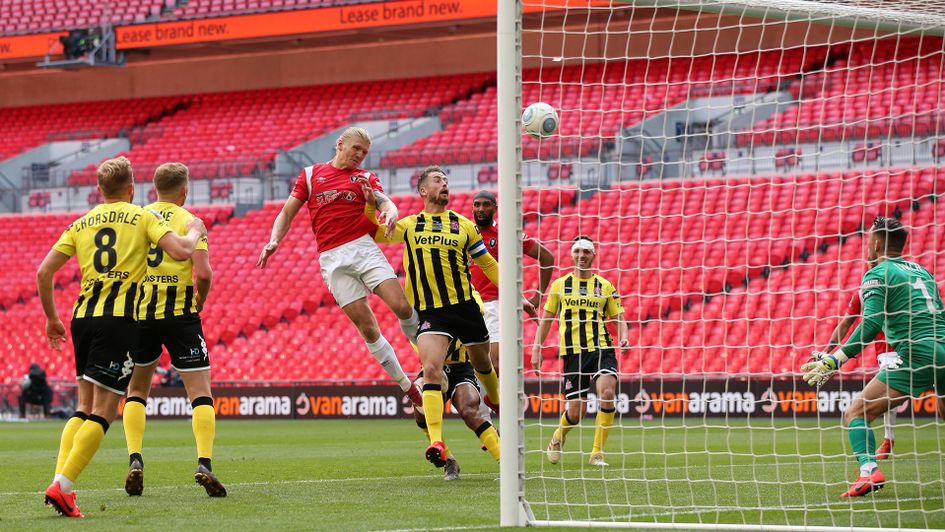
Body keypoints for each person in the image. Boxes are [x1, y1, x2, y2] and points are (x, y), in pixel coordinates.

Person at [36, 156, 206, 518]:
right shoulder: (143, 216)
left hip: (82, 317)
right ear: (132, 188)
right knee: (105, 409)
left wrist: (52, 319)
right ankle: (63, 486)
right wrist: (195, 229)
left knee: (83, 407)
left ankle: (61, 480)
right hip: (119, 320)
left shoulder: (81, 222)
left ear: (99, 190)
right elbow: (182, 251)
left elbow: (44, 271)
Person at [373, 165, 534, 467]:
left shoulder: (463, 226)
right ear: (423, 190)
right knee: (432, 369)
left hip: (466, 308)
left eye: (446, 180)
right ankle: (436, 441)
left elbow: (488, 265)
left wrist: (517, 295)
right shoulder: (408, 225)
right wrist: (373, 202)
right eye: (437, 180)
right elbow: (372, 232)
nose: (444, 184)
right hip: (434, 314)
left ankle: (496, 400)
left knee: (484, 363)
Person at [256, 127, 422, 408]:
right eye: (356, 148)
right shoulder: (310, 175)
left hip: (363, 248)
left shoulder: (364, 178)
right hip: (332, 259)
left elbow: (385, 202)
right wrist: (274, 241)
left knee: (403, 307)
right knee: (368, 329)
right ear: (340, 144)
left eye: (364, 152)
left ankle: (431, 362)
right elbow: (286, 213)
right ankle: (408, 387)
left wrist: (391, 211)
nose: (359, 155)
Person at [801, 216, 945, 497]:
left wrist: (835, 359)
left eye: (869, 240)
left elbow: (870, 324)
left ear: (876, 243)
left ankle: (868, 472)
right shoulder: (922, 271)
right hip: (943, 347)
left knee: (856, 412)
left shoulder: (878, 273)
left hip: (917, 353)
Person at [123, 162, 225, 498]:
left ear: (154, 188)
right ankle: (204, 464)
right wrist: (200, 301)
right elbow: (205, 274)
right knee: (200, 393)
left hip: (141, 314)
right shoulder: (191, 222)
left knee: (137, 391)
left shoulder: (139, 218)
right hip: (181, 314)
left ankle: (135, 459)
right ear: (184, 190)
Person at [532, 236, 629, 467]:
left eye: (586, 251)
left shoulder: (605, 286)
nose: (581, 255)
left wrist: (624, 336)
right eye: (577, 251)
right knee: (576, 413)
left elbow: (620, 319)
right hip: (572, 353)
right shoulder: (559, 285)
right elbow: (546, 321)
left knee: (606, 393)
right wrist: (537, 349)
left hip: (601, 348)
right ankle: (558, 437)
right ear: (571, 255)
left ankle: (597, 453)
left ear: (593, 255)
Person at [814, 279, 903, 460]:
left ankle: (873, 460)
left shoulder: (901, 282)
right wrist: (826, 351)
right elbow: (846, 323)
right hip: (887, 351)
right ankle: (888, 439)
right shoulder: (863, 292)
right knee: (884, 394)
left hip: (914, 344)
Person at [470, 190, 554, 371]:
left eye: (486, 204)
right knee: (470, 367)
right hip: (468, 306)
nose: (481, 209)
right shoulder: (465, 235)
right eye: (477, 205)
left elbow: (547, 257)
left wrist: (538, 296)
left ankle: (509, 399)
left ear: (495, 208)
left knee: (496, 365)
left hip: (495, 306)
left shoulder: (506, 235)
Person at [413, 339, 500, 480]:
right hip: (433, 367)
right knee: (421, 413)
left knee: (469, 411)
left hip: (462, 369)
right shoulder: (421, 320)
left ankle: (505, 462)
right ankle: (448, 460)